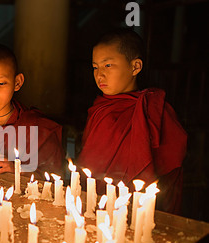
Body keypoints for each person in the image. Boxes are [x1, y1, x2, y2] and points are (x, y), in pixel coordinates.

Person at [77, 28, 187, 214]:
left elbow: (171, 164)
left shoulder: (153, 107)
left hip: (138, 205)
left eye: (108, 65)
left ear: (135, 67)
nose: (99, 75)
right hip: (96, 203)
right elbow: (90, 159)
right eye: (95, 67)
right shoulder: (99, 108)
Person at [0, 43, 65, 176]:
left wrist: (18, 171)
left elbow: (55, 181)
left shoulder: (37, 129)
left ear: (17, 82)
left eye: (1, 83)